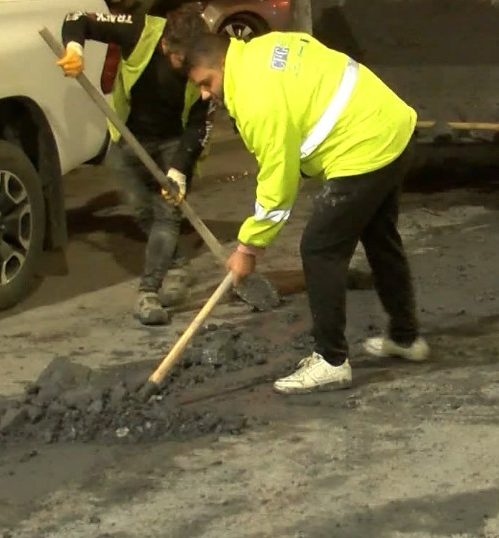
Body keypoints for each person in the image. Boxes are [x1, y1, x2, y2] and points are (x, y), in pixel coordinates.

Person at [176, 25, 428, 395]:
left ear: (222, 63)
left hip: (362, 147)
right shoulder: (264, 46)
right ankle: (406, 338)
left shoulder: (253, 99)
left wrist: (248, 248)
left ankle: (330, 361)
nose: (205, 93)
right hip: (392, 126)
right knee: (379, 235)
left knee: (319, 249)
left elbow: (278, 184)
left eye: (206, 82)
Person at [56, 4, 217, 326]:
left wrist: (179, 171)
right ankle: (177, 263)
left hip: (176, 140)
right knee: (140, 208)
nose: (190, 70)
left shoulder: (204, 60)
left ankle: (149, 291)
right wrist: (74, 47)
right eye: (181, 61)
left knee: (167, 212)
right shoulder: (139, 30)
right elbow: (76, 19)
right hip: (128, 135)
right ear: (164, 45)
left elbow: (201, 124)